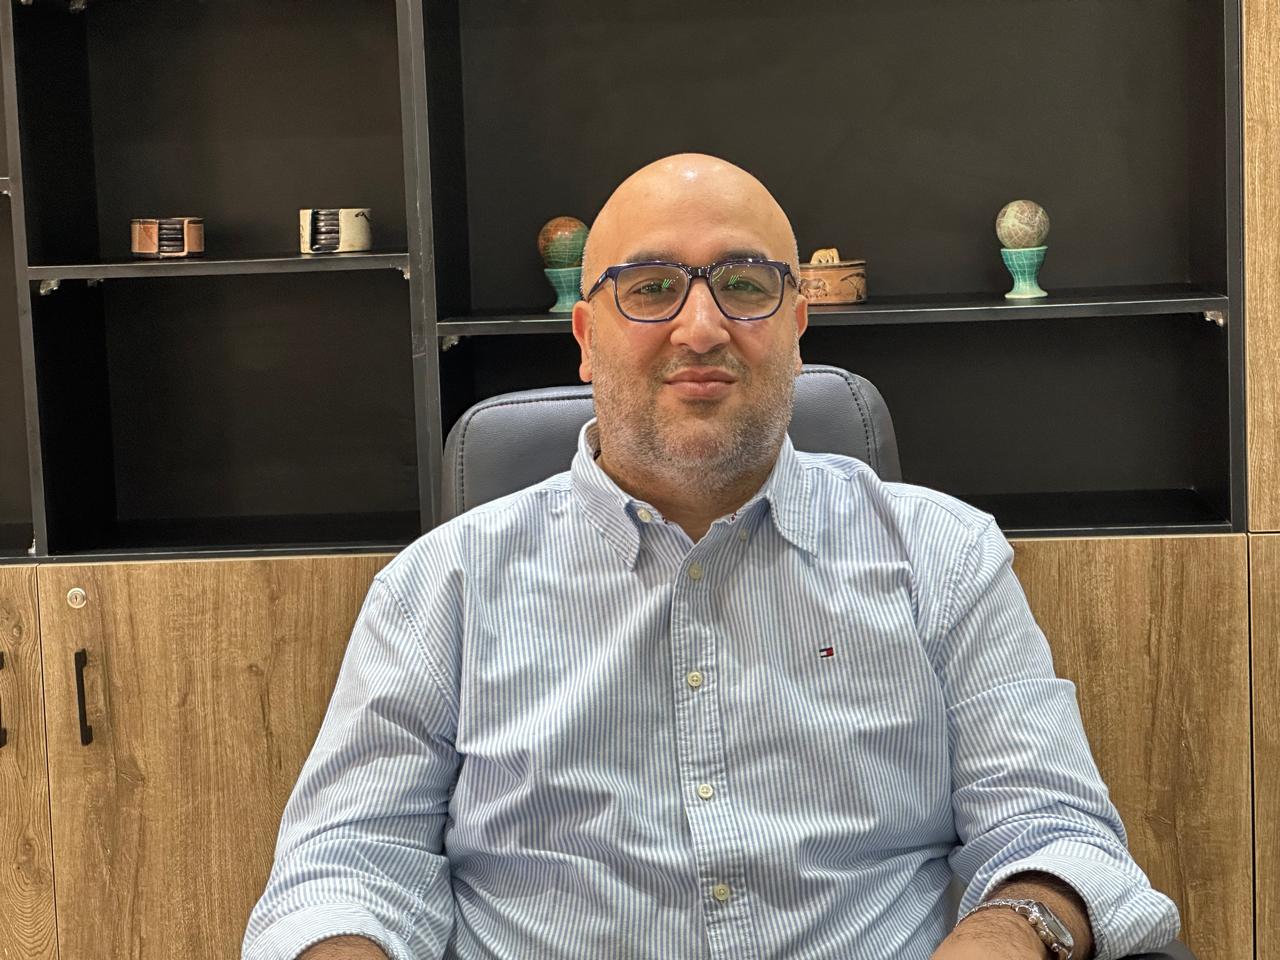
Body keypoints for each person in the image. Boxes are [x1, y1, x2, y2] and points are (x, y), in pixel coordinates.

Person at [243, 154, 1179, 960]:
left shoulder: (943, 557)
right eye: (651, 287)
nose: (700, 329)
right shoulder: (439, 587)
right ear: (586, 338)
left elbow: (1052, 827)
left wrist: (1008, 930)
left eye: (745, 284)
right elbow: (347, 865)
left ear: (797, 325)